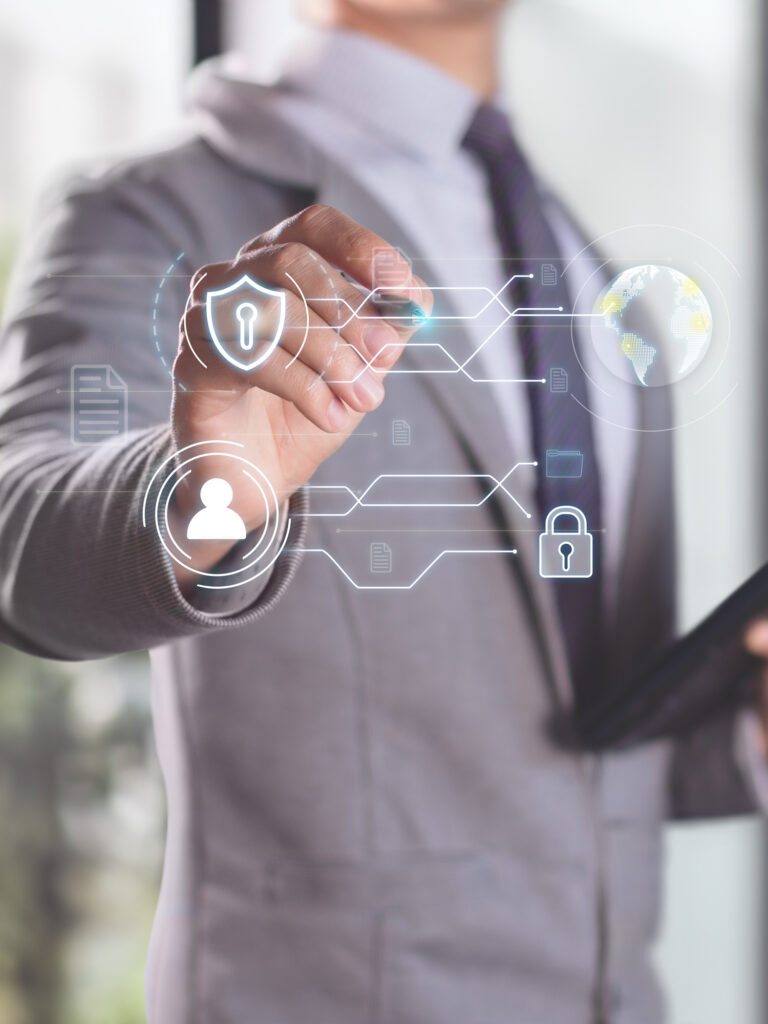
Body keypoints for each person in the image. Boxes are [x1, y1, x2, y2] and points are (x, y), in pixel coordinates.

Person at [1, 1, 767, 1022]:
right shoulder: (149, 208)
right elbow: (27, 547)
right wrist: (210, 487)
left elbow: (572, 753)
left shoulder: (596, 277)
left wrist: (749, 730)